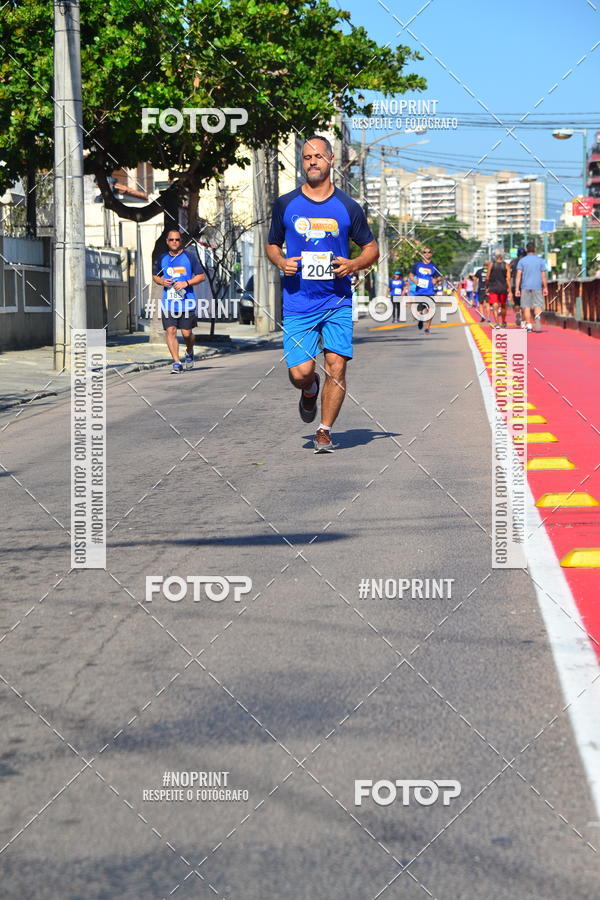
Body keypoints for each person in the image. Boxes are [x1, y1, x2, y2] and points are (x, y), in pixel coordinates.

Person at [266, 135, 379, 453]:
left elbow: (372, 248)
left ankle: (324, 430)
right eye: (305, 157)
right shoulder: (286, 204)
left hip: (337, 300)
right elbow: (272, 243)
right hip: (299, 301)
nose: (312, 161)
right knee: (301, 372)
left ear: (331, 160)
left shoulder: (348, 207)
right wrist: (281, 261)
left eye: (317, 156)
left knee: (337, 366)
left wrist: (354, 263)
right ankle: (310, 389)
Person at [152, 230, 205, 373]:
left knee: (187, 334)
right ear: (167, 242)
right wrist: (162, 281)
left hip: (187, 302)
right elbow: (155, 277)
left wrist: (186, 283)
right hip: (168, 303)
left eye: (177, 239)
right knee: (170, 331)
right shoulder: (162, 258)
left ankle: (189, 351)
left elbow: (201, 276)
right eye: (171, 240)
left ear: (181, 241)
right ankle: (176, 362)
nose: (174, 242)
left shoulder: (189, 257)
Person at [515, 240, 548, 332]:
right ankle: (537, 320)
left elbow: (518, 276)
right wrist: (545, 287)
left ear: (526, 250)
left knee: (526, 306)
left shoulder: (522, 261)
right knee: (537, 305)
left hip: (525, 286)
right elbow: (543, 276)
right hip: (537, 286)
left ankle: (529, 325)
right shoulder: (540, 261)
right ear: (535, 250)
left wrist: (517, 289)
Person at [408, 248, 441, 334]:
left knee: (430, 310)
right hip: (419, 291)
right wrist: (414, 281)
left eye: (428, 252)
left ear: (431, 254)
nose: (426, 254)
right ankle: (420, 319)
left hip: (430, 291)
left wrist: (436, 280)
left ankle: (427, 328)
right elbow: (411, 275)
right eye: (424, 252)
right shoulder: (417, 265)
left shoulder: (434, 266)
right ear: (422, 254)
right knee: (419, 311)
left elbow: (439, 276)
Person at [486, 249, 512, 328]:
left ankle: (497, 323)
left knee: (495, 305)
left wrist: (487, 286)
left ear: (495, 256)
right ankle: (503, 321)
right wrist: (510, 290)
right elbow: (508, 278)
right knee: (503, 305)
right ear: (502, 256)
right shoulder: (506, 265)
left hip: (493, 287)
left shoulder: (491, 264)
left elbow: (487, 277)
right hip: (503, 287)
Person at [510, 247, 527, 327]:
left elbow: (509, 273)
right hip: (526, 285)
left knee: (517, 302)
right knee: (525, 304)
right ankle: (523, 321)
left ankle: (517, 313)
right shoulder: (527, 261)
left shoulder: (513, 262)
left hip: (515, 285)